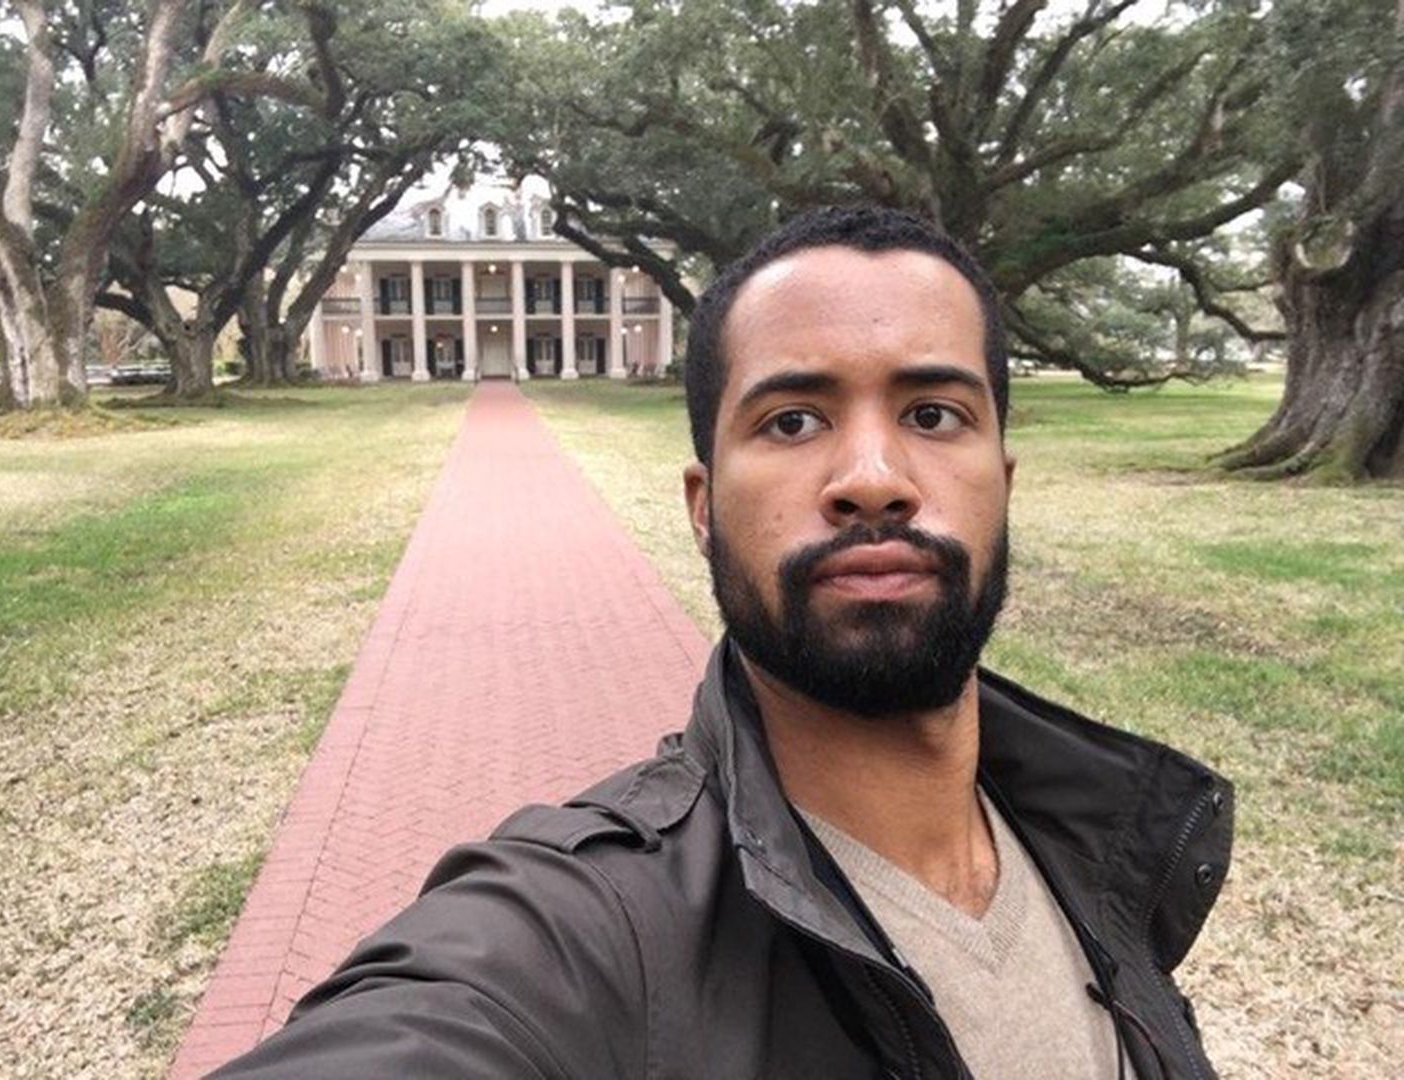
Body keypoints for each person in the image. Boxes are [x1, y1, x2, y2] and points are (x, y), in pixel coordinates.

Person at [214, 206, 1232, 1079]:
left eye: (932, 413)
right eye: (792, 422)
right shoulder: (590, 925)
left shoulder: (1099, 840)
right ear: (702, 507)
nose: (874, 479)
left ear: (1003, 485)